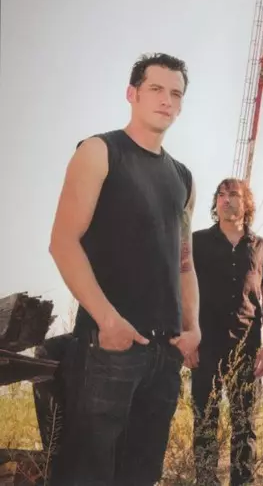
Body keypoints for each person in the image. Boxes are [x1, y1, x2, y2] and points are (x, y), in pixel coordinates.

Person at [48, 52, 201, 486]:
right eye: (156, 89)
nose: (167, 100)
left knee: (140, 475)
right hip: (109, 346)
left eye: (176, 94)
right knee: (86, 474)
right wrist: (108, 321)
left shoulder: (183, 177)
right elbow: (62, 243)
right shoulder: (100, 151)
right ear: (131, 93)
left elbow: (184, 262)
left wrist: (193, 328)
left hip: (165, 352)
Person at [191, 177, 263, 486]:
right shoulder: (197, 242)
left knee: (245, 424)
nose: (226, 199)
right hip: (204, 344)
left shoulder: (262, 247)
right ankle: (206, 482)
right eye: (220, 194)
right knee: (205, 419)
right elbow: (183, 291)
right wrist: (186, 337)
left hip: (247, 347)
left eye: (233, 194)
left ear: (246, 204)